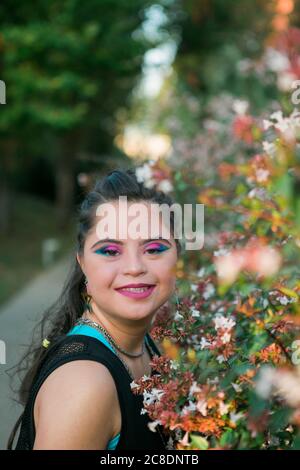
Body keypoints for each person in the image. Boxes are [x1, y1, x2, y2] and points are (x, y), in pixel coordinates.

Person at [7, 167, 182, 450]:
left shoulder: (146, 346)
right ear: (82, 262)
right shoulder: (85, 382)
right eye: (110, 251)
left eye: (153, 248)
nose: (135, 267)